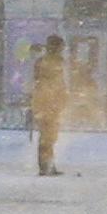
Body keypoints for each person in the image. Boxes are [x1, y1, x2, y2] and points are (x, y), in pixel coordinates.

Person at [27, 35, 73, 178]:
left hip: (46, 103)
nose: (62, 49)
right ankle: (46, 166)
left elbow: (39, 80)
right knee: (48, 136)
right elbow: (55, 82)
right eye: (61, 47)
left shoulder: (45, 61)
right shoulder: (52, 62)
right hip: (48, 103)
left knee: (49, 136)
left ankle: (47, 165)